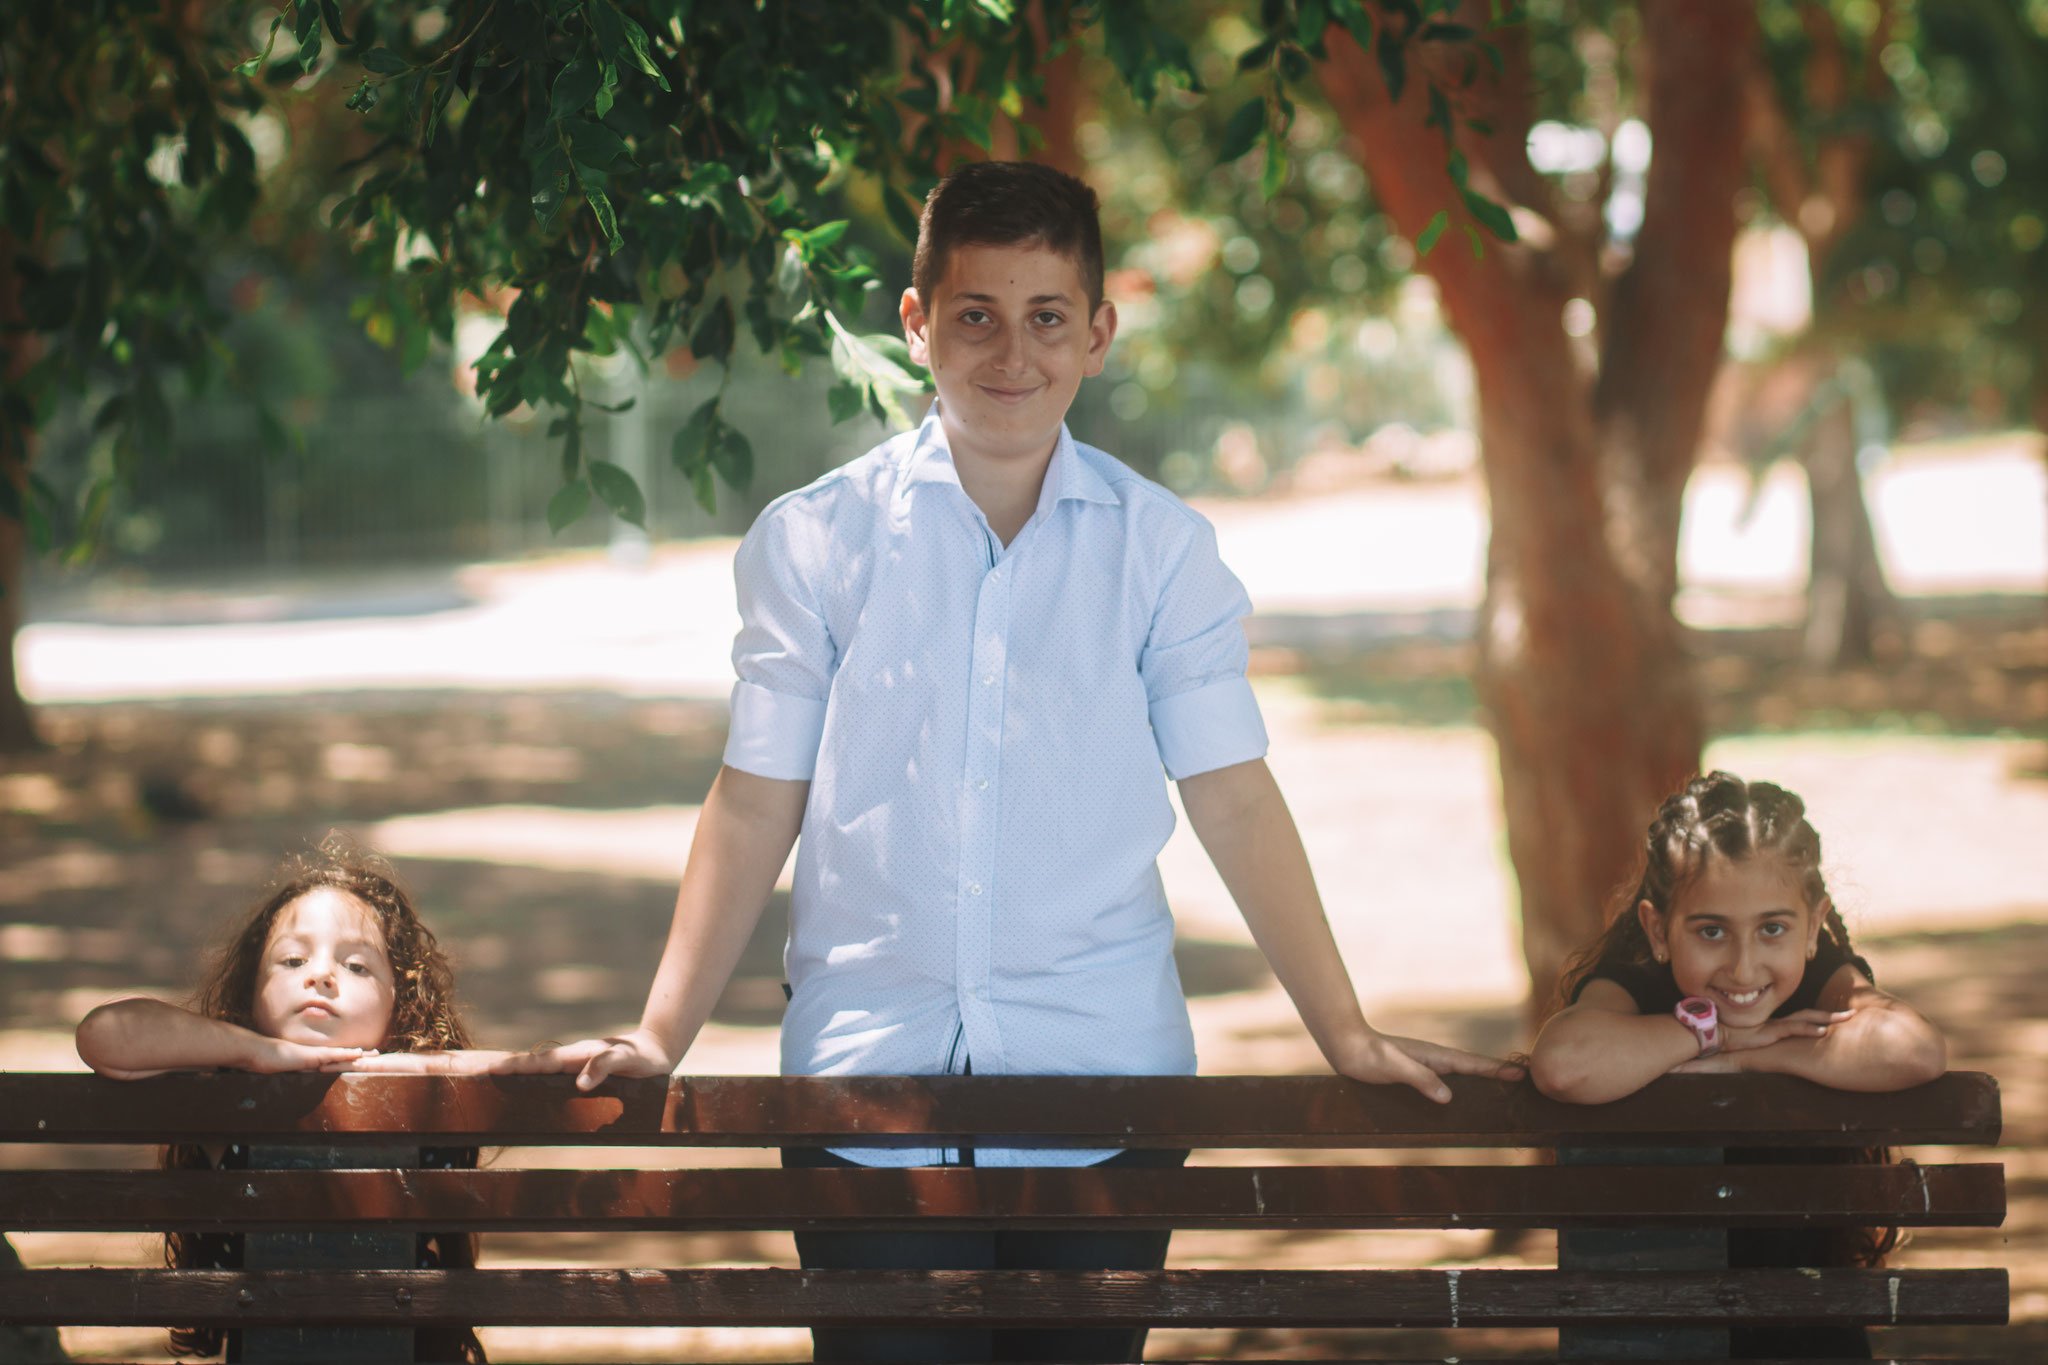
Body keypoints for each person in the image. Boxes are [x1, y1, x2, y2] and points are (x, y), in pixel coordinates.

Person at [553, 160, 1517, 1364]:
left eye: (1046, 317)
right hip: (863, 1087)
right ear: (918, 325)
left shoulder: (1163, 553)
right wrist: (660, 1034)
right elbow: (756, 800)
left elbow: (1231, 795)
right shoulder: (813, 541)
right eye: (977, 316)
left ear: (1097, 334)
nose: (1012, 352)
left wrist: (1341, 1027)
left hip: (1103, 1085)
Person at [73, 834, 551, 1364]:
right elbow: (102, 1035)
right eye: (293, 960)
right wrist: (256, 1051)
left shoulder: (426, 1091)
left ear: (400, 1008)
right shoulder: (228, 1087)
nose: (321, 975)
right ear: (252, 994)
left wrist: (397, 1064)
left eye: (356, 966)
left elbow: (492, 1068)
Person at [1530, 770, 1948, 1360]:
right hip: (1649, 1330)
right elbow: (1564, 1065)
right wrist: (1718, 1036)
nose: (1744, 967)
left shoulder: (1822, 977)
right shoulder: (1637, 981)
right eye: (1711, 931)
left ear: (1812, 926)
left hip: (1805, 1324)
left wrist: (1749, 1057)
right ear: (1658, 929)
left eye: (1773, 929)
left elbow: (1914, 1049)